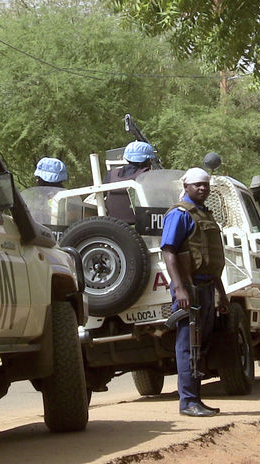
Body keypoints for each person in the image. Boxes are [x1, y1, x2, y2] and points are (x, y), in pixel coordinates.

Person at [160, 167, 229, 417]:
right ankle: (187, 402)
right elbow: (168, 251)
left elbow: (212, 259)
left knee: (200, 344)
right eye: (198, 185)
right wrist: (179, 288)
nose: (203, 188)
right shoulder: (179, 214)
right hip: (189, 289)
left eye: (206, 185)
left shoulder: (204, 214)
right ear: (186, 186)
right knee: (188, 345)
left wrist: (220, 292)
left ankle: (196, 399)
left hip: (208, 288)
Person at [103, 141, 156, 222]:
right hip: (140, 226)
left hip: (112, 225)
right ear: (147, 160)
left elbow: (102, 196)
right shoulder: (148, 175)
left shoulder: (110, 174)